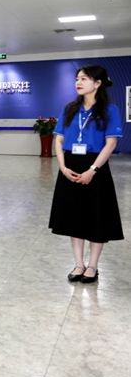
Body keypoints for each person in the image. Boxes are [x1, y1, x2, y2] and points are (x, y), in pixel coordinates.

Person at [49, 64, 124, 283]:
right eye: (77, 79)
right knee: (74, 217)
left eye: (84, 79)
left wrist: (93, 170)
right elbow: (59, 140)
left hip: (95, 166)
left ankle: (93, 266)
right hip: (70, 165)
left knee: (96, 216)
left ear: (98, 83)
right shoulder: (70, 109)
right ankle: (79, 264)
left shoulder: (110, 110)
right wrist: (63, 167)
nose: (78, 83)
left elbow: (110, 144)